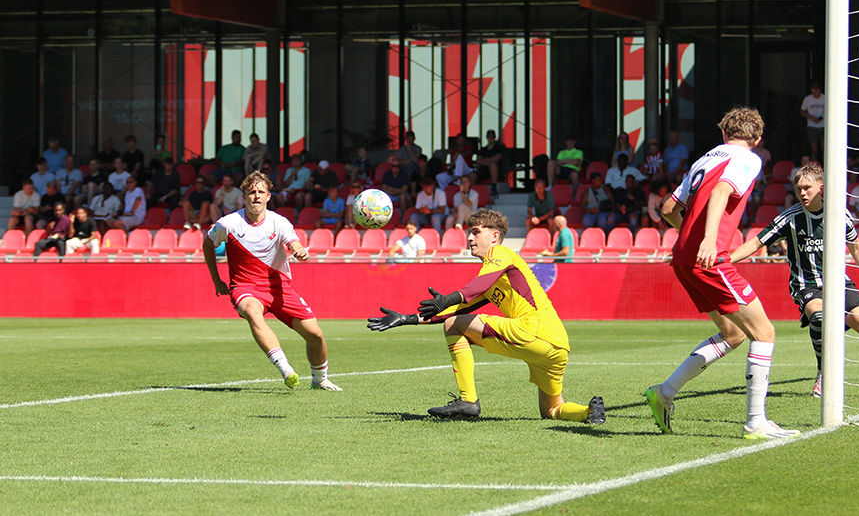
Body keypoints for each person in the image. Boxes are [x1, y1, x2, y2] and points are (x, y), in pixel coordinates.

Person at [367, 208, 604, 424]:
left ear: (494, 236)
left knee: (453, 326)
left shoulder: (501, 252)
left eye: (475, 232)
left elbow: (471, 292)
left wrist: (447, 298)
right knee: (551, 410)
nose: (470, 238)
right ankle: (588, 412)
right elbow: (456, 310)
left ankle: (468, 400)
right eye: (469, 233)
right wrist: (406, 318)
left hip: (532, 331)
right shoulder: (493, 278)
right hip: (558, 346)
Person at [644, 106, 799, 439]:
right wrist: (710, 240)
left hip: (684, 259)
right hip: (710, 260)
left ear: (724, 133)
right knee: (765, 333)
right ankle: (756, 422)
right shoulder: (747, 158)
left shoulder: (705, 159)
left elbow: (668, 209)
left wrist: (693, 237)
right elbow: (720, 192)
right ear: (757, 138)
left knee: (733, 334)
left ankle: (664, 393)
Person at [730, 162, 859, 399]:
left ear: (821, 188)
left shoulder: (839, 215)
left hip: (840, 284)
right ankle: (824, 373)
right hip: (807, 285)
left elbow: (857, 250)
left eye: (807, 188)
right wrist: (727, 260)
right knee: (819, 317)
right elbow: (757, 242)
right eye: (798, 188)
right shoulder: (790, 218)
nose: (802, 193)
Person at [204, 170, 341, 391]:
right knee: (252, 312)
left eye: (261, 192)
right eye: (251, 192)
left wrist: (299, 252)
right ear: (244, 196)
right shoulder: (228, 223)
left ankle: (320, 379)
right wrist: (216, 279)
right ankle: (286, 369)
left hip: (279, 288)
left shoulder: (279, 222)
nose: (256, 196)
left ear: (269, 196)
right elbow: (208, 244)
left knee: (315, 335)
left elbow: (293, 242)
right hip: (245, 287)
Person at [472, 129, 505, 195]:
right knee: (472, 175)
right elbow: (478, 161)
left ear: (494, 137)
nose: (490, 138)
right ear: (487, 137)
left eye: (492, 136)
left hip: (496, 172)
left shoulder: (498, 148)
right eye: (489, 136)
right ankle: (471, 191)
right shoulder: (483, 149)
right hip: (483, 171)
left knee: (493, 165)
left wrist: (485, 161)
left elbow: (497, 158)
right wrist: (490, 160)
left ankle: (494, 187)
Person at [800, 81, 825, 162]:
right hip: (812, 125)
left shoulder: (825, 98)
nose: (814, 93)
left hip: (823, 125)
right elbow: (802, 111)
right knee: (814, 150)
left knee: (825, 148)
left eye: (816, 91)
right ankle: (814, 168)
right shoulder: (807, 99)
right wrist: (812, 117)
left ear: (819, 90)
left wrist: (821, 118)